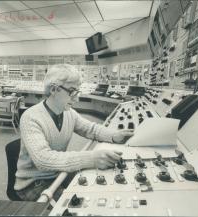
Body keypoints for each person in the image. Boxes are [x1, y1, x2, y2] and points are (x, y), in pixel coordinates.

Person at [14, 64, 134, 201]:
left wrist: (114, 136)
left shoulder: (69, 113)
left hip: (58, 173)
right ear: (54, 89)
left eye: (77, 92)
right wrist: (92, 158)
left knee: (94, 192)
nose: (76, 99)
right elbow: (43, 159)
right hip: (33, 183)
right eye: (72, 92)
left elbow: (91, 129)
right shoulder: (31, 117)